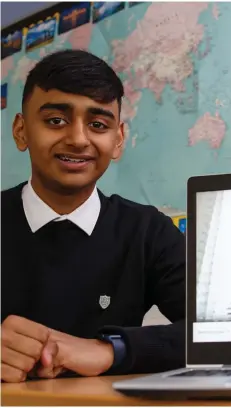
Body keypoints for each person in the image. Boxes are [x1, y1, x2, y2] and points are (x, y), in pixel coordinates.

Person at [1, 50, 186, 383]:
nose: (77, 139)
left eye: (98, 124)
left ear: (118, 141)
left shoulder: (147, 231)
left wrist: (111, 349)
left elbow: (225, 330)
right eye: (55, 120)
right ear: (21, 131)